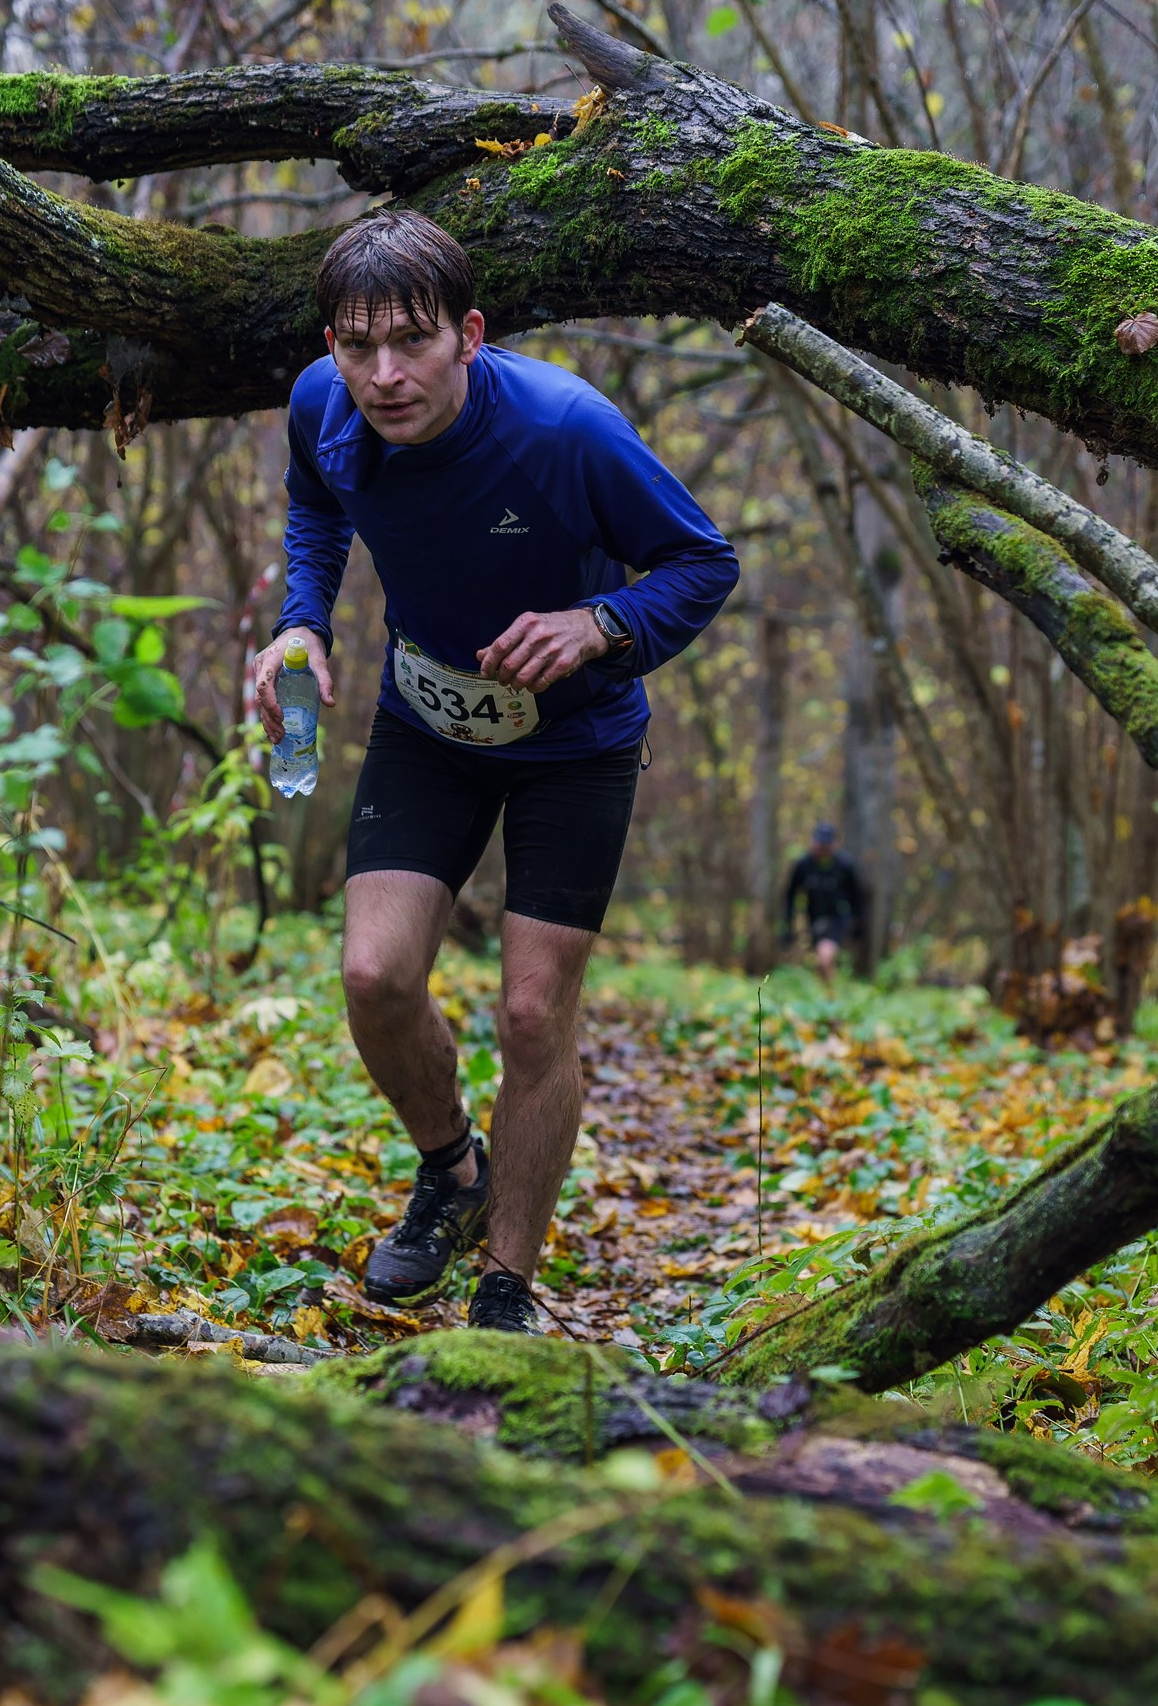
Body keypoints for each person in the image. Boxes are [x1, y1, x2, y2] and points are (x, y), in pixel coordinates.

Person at [251, 210, 738, 1332]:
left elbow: (702, 562)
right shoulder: (320, 405)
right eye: (356, 346)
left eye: (411, 343)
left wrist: (601, 622)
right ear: (330, 346)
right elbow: (315, 507)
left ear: (468, 335)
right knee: (374, 980)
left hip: (575, 745)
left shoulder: (568, 431)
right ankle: (453, 1173)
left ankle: (506, 1285)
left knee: (530, 1014)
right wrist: (302, 625)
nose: (383, 376)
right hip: (427, 724)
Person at [783, 824, 867, 981]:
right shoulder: (803, 865)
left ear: (833, 845)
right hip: (815, 918)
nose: (822, 849)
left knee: (825, 956)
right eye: (819, 844)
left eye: (826, 845)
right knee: (820, 962)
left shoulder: (844, 865)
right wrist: (788, 925)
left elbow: (857, 897)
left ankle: (832, 999)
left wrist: (859, 924)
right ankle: (827, 994)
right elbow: (790, 895)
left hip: (839, 918)